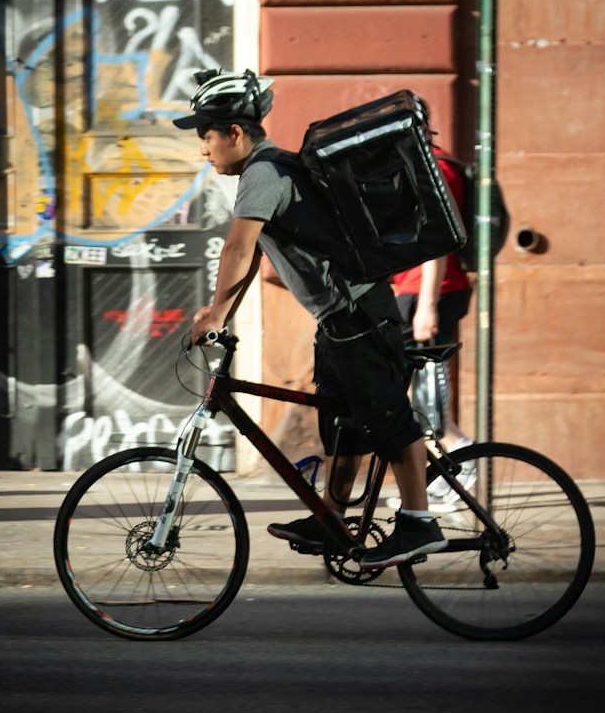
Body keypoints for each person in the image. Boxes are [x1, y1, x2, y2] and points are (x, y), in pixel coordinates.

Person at [180, 71, 446, 569]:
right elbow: (256, 258)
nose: (204, 150)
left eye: (207, 136)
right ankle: (332, 519)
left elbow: (238, 246)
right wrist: (222, 315)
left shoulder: (263, 173)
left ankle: (418, 522)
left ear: (235, 133)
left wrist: (216, 311)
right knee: (344, 426)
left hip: (361, 314)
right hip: (340, 321)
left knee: (388, 418)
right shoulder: (271, 172)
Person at [390, 98, 474, 513]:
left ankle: (461, 455)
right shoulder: (431, 165)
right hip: (418, 290)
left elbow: (436, 242)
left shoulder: (435, 171)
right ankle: (441, 477)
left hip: (428, 292)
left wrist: (426, 306)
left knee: (425, 394)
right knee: (411, 393)